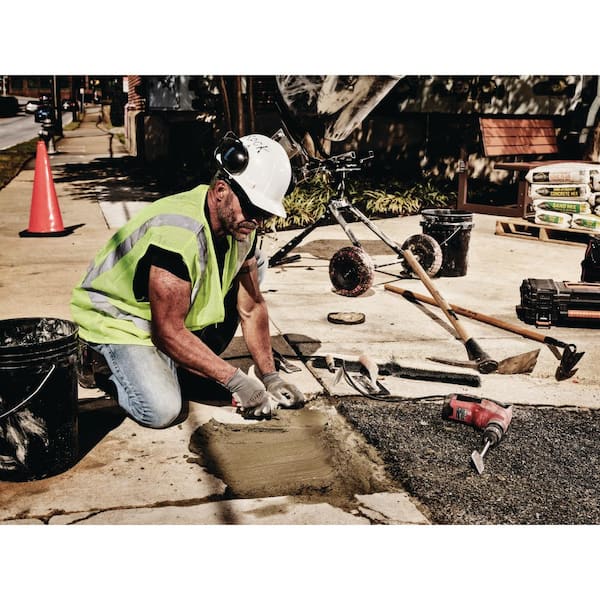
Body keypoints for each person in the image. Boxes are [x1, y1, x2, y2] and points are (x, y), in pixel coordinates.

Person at [70, 132, 305, 427]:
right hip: (120, 321)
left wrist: (270, 376)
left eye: (264, 214)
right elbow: (166, 331)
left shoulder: (242, 226)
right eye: (253, 210)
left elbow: (252, 306)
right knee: (161, 410)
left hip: (167, 320)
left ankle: (176, 363)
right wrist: (236, 381)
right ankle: (98, 363)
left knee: (257, 263)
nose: (257, 221)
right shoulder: (178, 235)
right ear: (220, 190)